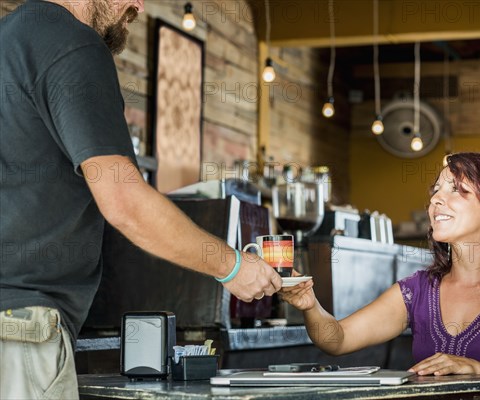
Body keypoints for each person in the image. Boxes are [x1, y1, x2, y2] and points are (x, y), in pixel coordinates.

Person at [0, 1, 281, 398]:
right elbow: (125, 202)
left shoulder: (9, 37)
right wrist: (232, 266)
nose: (138, 5)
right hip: (18, 333)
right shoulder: (74, 44)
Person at [280, 152, 480, 400]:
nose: (436, 199)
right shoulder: (417, 290)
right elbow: (337, 340)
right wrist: (310, 305)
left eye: (456, 189)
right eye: (436, 189)